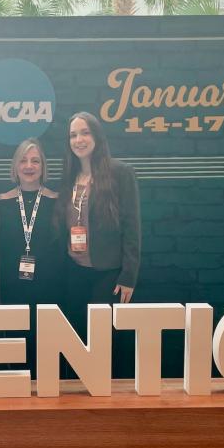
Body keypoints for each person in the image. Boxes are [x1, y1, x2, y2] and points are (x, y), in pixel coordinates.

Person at [56, 111, 141, 331]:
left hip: (108, 273)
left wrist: (128, 276)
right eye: (73, 135)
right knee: (76, 334)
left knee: (103, 338)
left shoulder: (120, 172)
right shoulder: (68, 176)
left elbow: (133, 227)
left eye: (85, 133)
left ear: (97, 136)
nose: (79, 140)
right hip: (73, 269)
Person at [0, 138, 62, 308]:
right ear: (15, 166)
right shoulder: (1, 202)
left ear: (43, 166)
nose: (29, 166)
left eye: (35, 161)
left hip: (51, 286)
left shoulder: (57, 201)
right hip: (11, 286)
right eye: (23, 160)